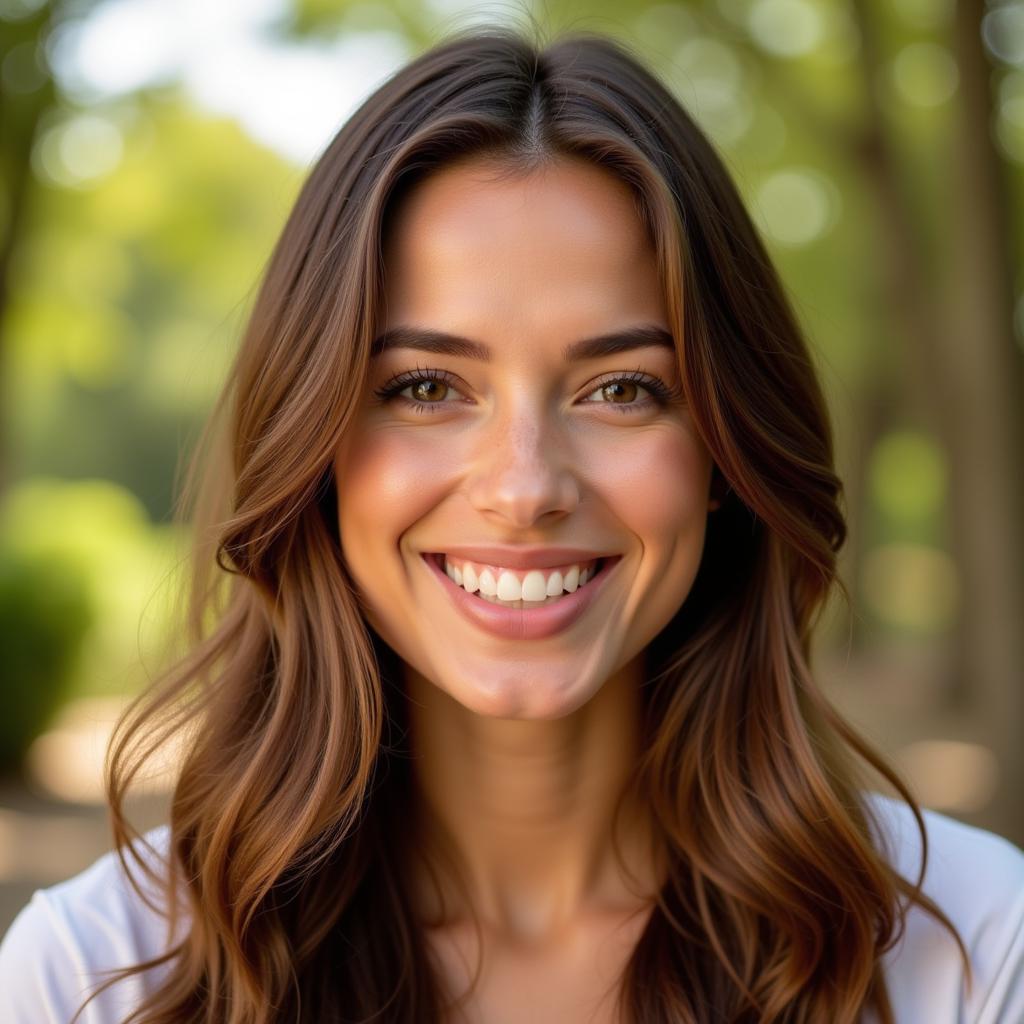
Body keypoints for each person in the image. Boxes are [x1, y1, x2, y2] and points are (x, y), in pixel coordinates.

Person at [1, 25, 1022, 1024]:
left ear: (723, 450)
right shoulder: (97, 976)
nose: (525, 486)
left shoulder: (975, 950)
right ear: (313, 446)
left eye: (622, 388)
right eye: (428, 385)